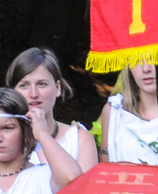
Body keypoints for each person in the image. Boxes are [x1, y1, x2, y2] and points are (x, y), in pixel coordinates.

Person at [6, 47, 98, 181]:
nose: (33, 94)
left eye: (42, 84)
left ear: (58, 88)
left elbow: (85, 190)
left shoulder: (79, 140)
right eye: (24, 85)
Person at [98, 59, 158, 166]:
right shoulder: (114, 112)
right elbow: (105, 170)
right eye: (137, 60)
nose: (146, 69)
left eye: (154, 58)